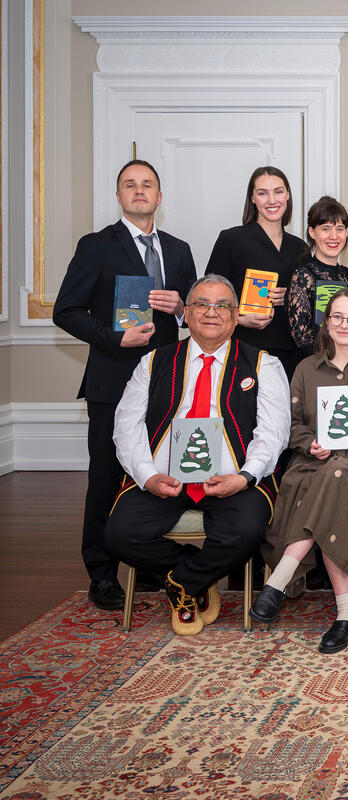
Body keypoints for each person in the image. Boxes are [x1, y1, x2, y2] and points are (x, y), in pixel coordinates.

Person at [105, 275, 289, 635]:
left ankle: (181, 582)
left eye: (222, 306)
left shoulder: (263, 364)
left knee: (248, 529)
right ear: (185, 314)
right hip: (164, 477)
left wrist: (246, 476)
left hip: (232, 476)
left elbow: (274, 432)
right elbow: (126, 426)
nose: (212, 313)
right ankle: (196, 576)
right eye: (202, 304)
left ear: (236, 317)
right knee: (118, 533)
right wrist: (147, 476)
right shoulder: (153, 362)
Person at [53, 159, 196, 610]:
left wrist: (181, 308)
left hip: (166, 383)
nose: (139, 191)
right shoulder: (96, 246)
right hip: (112, 381)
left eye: (147, 185)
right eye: (130, 185)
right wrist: (116, 337)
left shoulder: (178, 249)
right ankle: (101, 573)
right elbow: (66, 311)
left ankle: (150, 564)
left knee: (155, 473)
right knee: (107, 476)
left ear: (159, 195)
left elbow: (200, 311)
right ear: (118, 196)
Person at [251, 288, 348, 653]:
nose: (345, 324)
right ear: (326, 322)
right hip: (314, 467)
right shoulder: (306, 369)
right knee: (331, 476)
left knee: (336, 475)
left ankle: (278, 580)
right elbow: (291, 427)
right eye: (337, 316)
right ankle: (346, 615)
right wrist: (310, 444)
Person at [206, 165, 307, 378]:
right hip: (244, 350)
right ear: (252, 198)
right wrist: (238, 318)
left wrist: (291, 296)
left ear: (287, 195)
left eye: (278, 191)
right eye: (262, 193)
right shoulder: (232, 239)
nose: (272, 200)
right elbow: (207, 298)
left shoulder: (301, 248)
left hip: (292, 354)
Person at [286, 196, 348, 357]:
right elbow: (302, 338)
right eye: (326, 228)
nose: (334, 236)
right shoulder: (303, 276)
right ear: (312, 232)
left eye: (340, 228)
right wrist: (340, 354)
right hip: (318, 367)